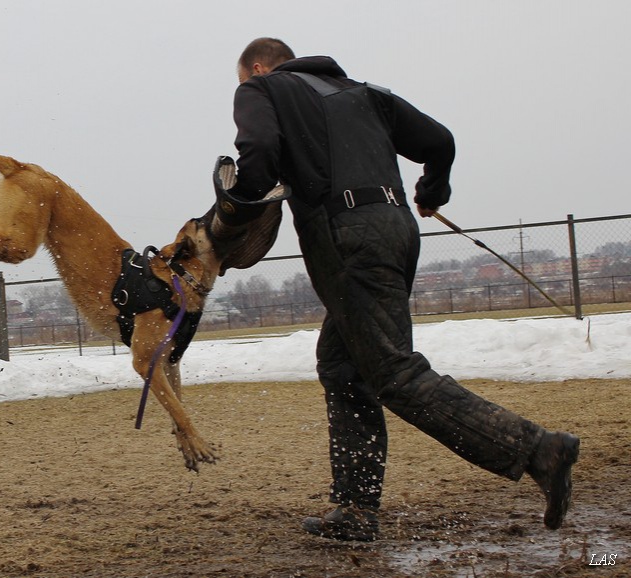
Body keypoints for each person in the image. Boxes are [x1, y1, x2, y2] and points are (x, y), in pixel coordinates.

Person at [210, 37, 580, 542]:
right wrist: (432, 190)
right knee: (343, 365)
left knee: (393, 371)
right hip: (398, 229)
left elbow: (257, 154)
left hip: (344, 234)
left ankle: (539, 450)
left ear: (256, 68)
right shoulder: (367, 93)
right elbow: (440, 142)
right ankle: (356, 511)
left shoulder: (262, 89)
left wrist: (235, 214)